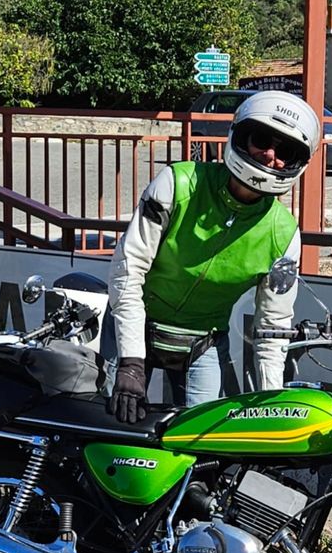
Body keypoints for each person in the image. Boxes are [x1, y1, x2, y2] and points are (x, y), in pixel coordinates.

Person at [107, 90, 321, 422]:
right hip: (135, 325)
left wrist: (270, 402)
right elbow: (128, 269)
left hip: (203, 344)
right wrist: (131, 362)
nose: (269, 155)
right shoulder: (177, 184)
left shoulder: (284, 234)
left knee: (201, 439)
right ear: (239, 135)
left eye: (286, 152)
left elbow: (273, 326)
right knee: (111, 427)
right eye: (261, 139)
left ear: (298, 163)